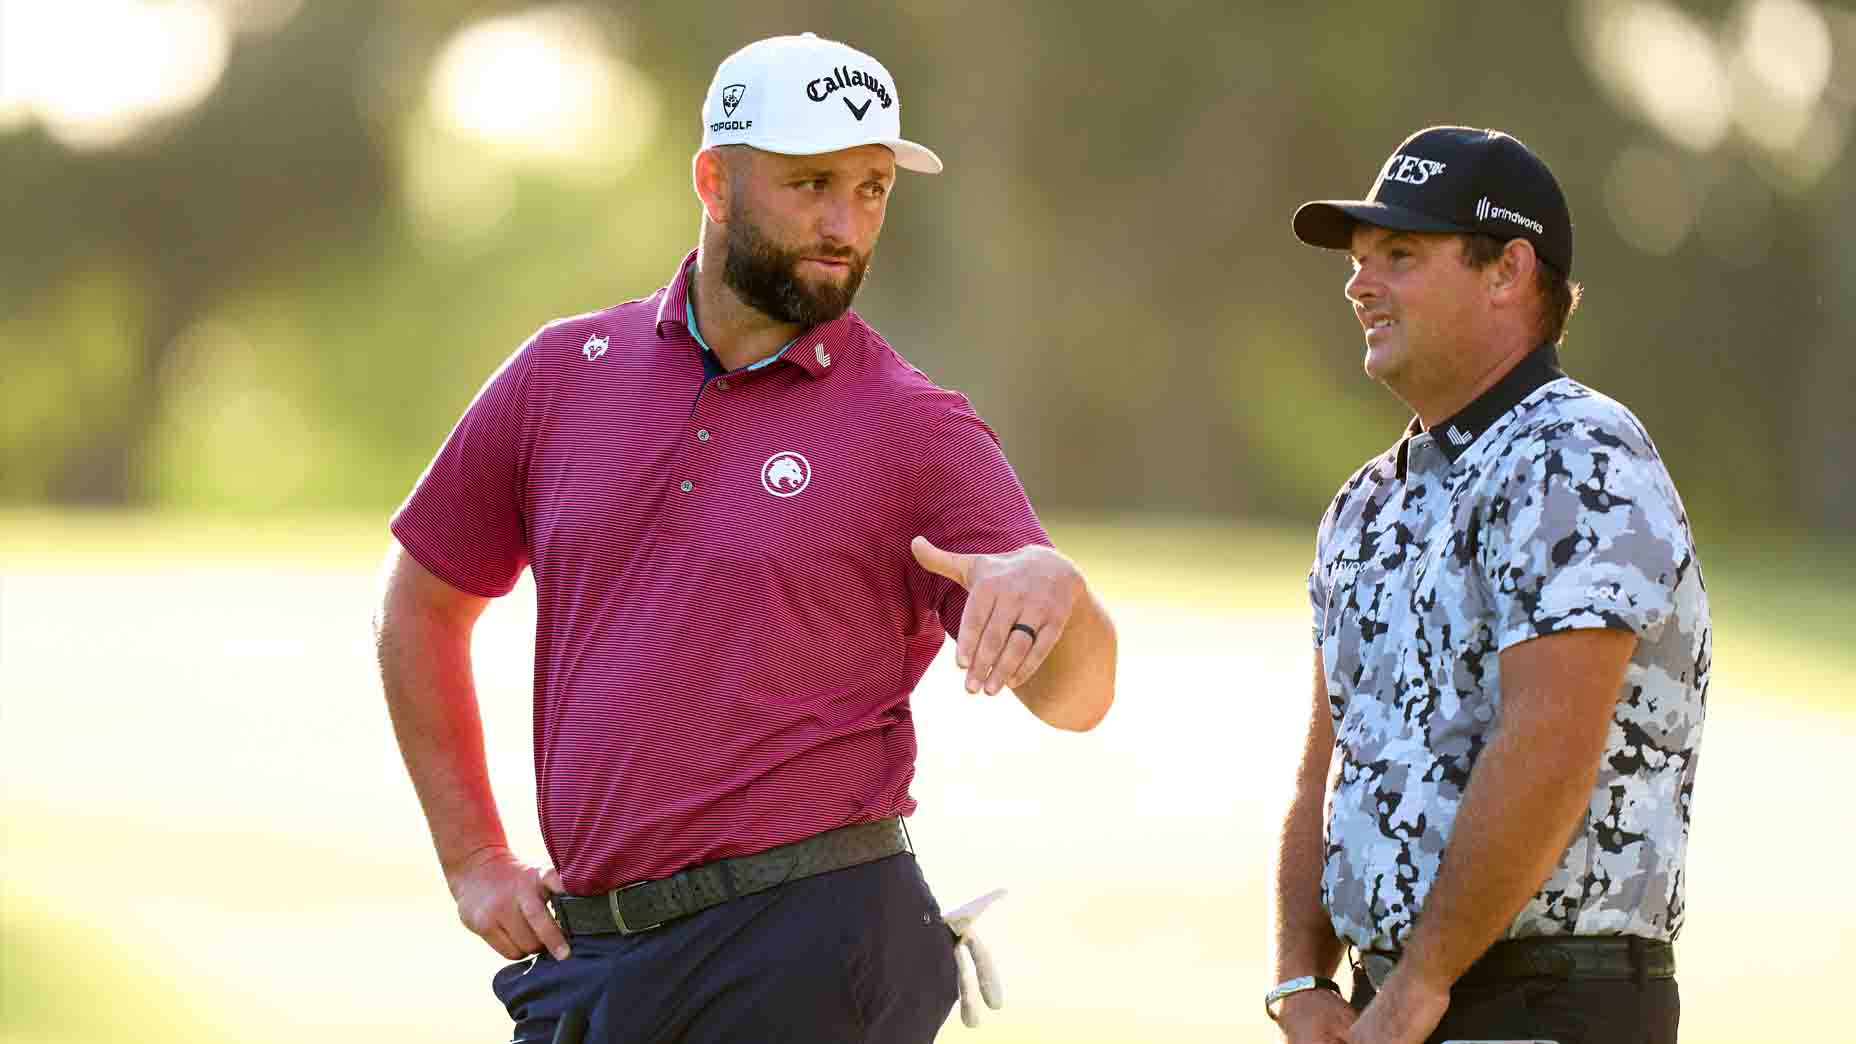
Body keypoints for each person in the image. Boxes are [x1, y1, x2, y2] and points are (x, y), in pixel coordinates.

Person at [373, 32, 1116, 1044]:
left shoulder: (914, 426)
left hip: (810, 941)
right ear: (714, 180)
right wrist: (471, 858)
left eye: (871, 188)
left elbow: (1078, 699)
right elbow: (420, 601)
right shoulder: (563, 375)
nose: (845, 223)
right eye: (811, 183)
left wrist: (1054, 589)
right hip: (592, 957)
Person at [1267, 126, 1711, 1044]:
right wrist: (1302, 975)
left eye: (1399, 254)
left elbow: (1548, 747)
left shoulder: (1579, 455)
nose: (1359, 284)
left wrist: (1419, 985)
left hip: (1548, 1001)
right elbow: (1327, 763)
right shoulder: (1366, 502)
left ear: (1508, 271)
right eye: (1357, 260)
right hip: (1389, 1000)